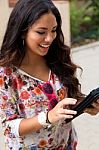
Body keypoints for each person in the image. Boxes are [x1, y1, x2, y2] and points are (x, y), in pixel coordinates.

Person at [0, 0, 99, 149]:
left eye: (54, 30)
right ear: (22, 31)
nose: (50, 38)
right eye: (41, 32)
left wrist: (84, 104)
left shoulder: (57, 58)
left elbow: (63, 102)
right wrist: (47, 117)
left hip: (66, 145)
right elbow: (9, 127)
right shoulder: (6, 73)